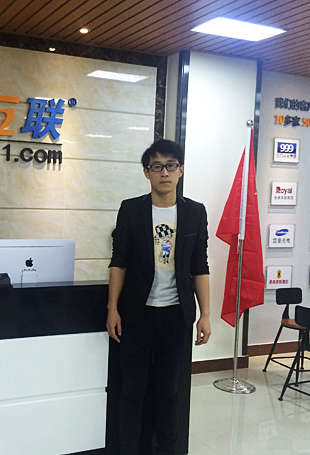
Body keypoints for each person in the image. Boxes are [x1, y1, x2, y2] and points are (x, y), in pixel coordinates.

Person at [107, 139, 211, 455]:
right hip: (136, 314)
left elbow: (200, 265)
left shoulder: (194, 212)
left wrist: (205, 314)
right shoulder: (131, 209)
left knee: (168, 390)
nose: (164, 172)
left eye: (170, 165)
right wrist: (112, 308)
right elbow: (119, 261)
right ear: (146, 172)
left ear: (181, 170)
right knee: (132, 390)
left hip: (176, 314)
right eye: (157, 166)